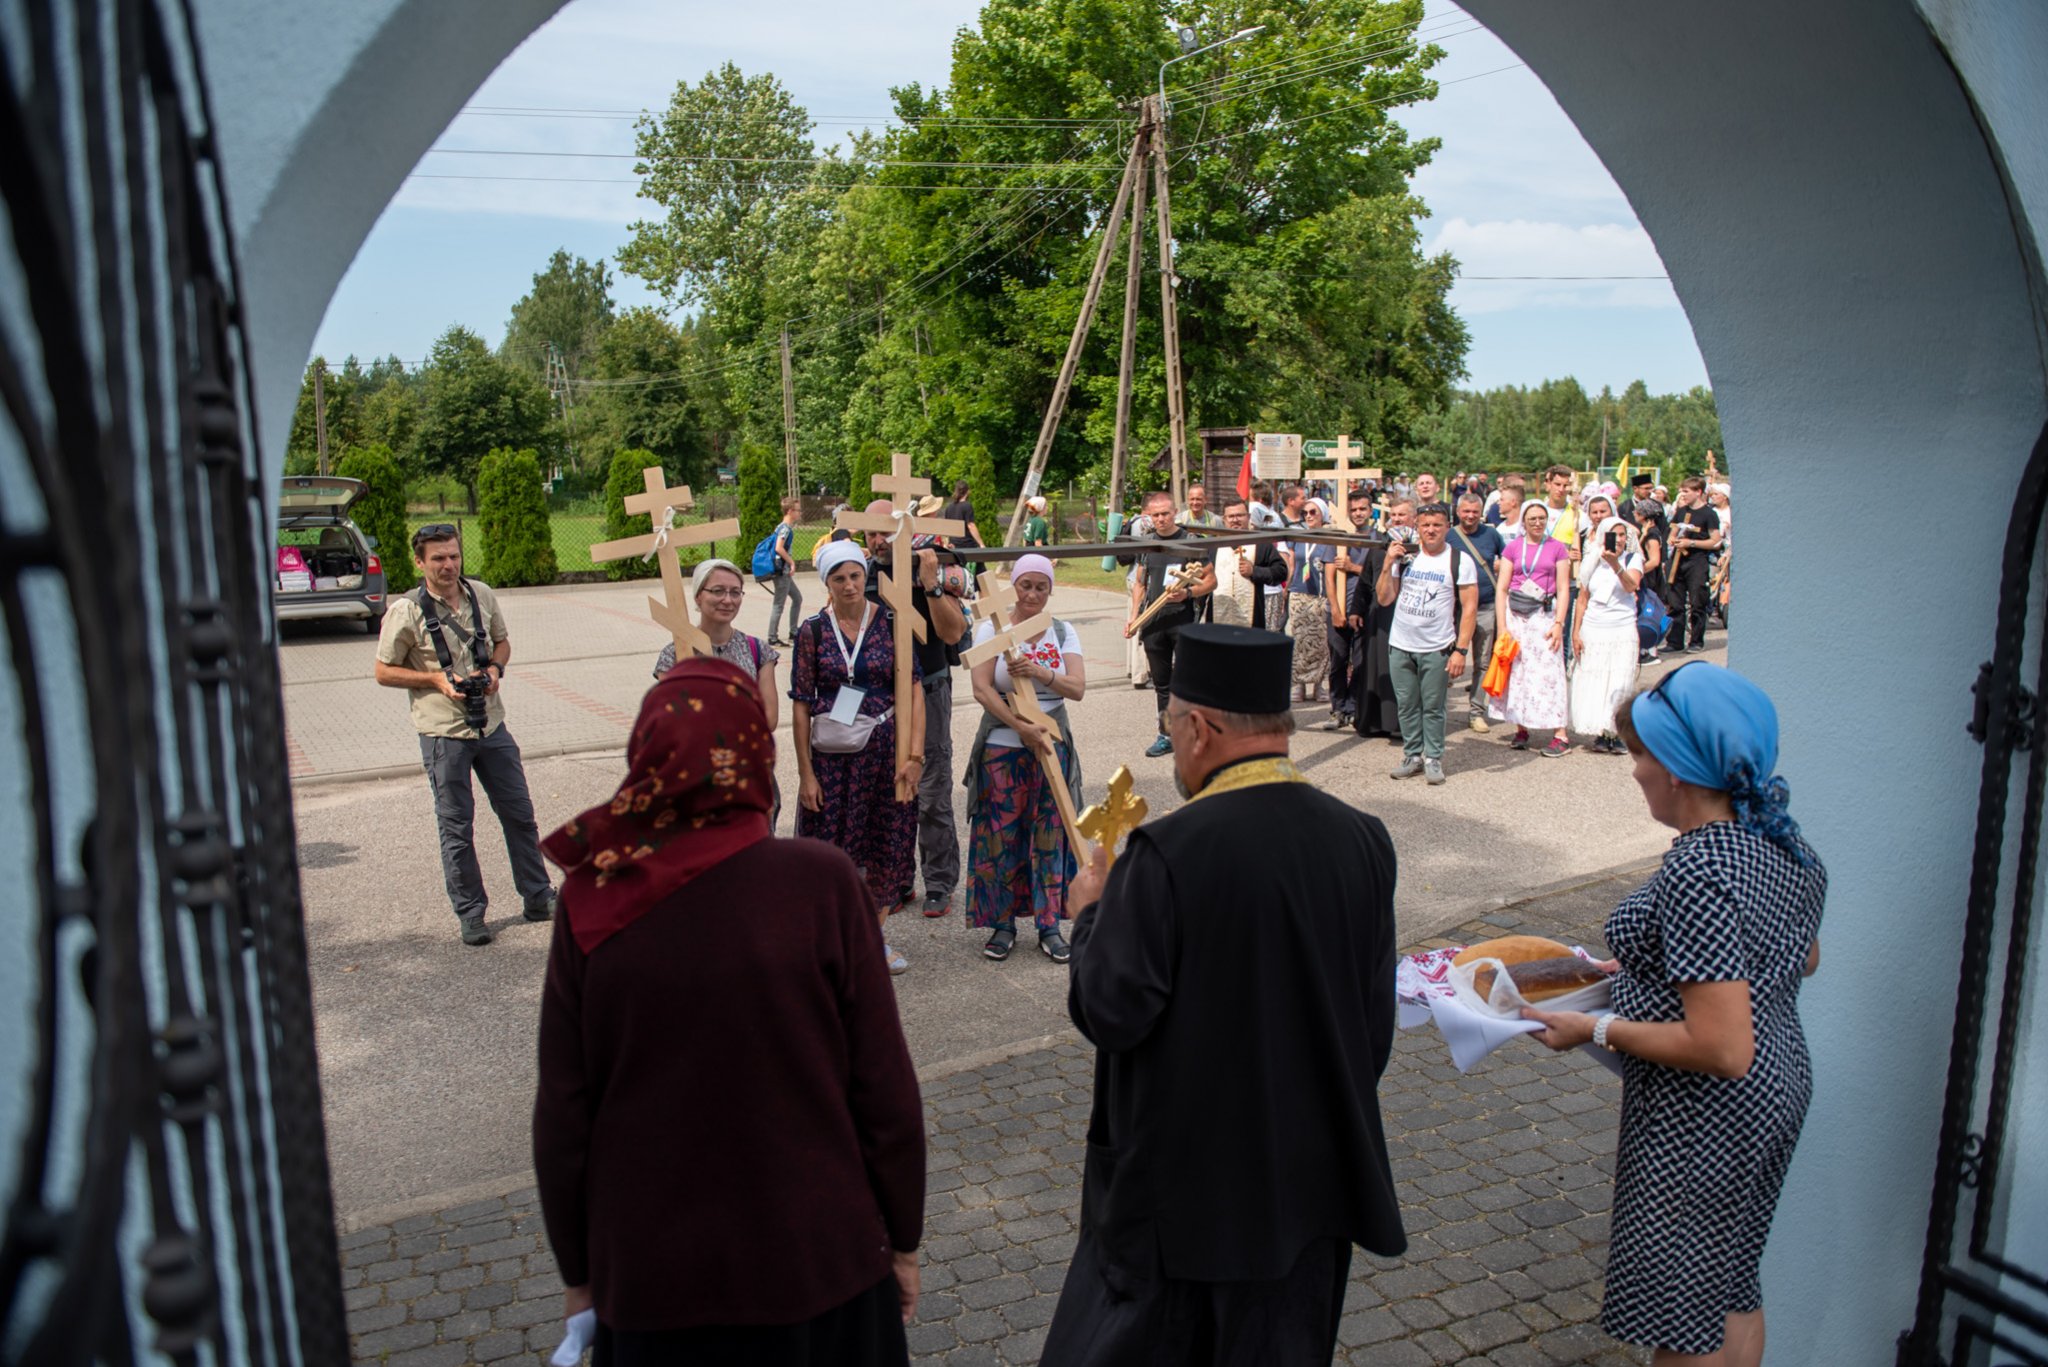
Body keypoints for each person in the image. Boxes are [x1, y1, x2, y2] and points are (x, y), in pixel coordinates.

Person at [532, 657, 926, 1366]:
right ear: (758, 757)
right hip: (819, 1264)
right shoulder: (820, 883)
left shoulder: (593, 898)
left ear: (646, 752)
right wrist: (903, 1238)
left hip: (653, 1280)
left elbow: (565, 1112)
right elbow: (885, 1089)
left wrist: (579, 1273)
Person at [1043, 624, 1406, 1365]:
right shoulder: (1363, 838)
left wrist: (1088, 917)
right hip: (1310, 1198)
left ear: (1202, 728)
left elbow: (1112, 1010)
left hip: (1185, 1212)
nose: (1174, 745)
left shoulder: (1167, 853)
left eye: (1173, 725)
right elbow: (1371, 1031)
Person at [1523, 663, 1825, 1367]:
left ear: (1680, 769)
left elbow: (1721, 1046)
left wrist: (1592, 1026)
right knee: (1731, 1287)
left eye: (1640, 753)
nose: (1633, 772)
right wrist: (1653, 966)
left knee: (1685, 1317)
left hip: (1707, 1114)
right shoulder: (1782, 842)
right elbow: (1798, 956)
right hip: (1779, 1089)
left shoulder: (1700, 866)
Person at [374, 524, 557, 946]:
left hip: (492, 725)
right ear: (420, 563)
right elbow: (382, 671)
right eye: (437, 558)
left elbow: (502, 643)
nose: (448, 565)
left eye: (453, 555)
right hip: (444, 733)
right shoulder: (407, 610)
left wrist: (494, 670)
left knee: (519, 814)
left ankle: (537, 896)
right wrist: (436, 681)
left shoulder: (481, 594)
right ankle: (471, 913)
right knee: (457, 827)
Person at [790, 542, 925, 975]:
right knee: (831, 851)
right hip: (832, 760)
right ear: (826, 584)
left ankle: (874, 939)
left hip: (886, 753)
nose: (849, 585)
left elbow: (915, 690)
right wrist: (805, 774)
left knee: (886, 843)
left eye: (854, 575)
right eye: (838, 578)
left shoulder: (891, 621)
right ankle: (830, 942)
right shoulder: (812, 631)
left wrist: (916, 755)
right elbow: (799, 704)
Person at [964, 555, 1084, 964]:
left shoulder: (1062, 632)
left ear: (1050, 590)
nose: (1032, 594)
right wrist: (1020, 726)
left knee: (1050, 832)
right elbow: (981, 688)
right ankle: (1003, 923)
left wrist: (1038, 671)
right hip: (1003, 745)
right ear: (1014, 585)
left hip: (1050, 742)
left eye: (1041, 587)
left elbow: (1078, 687)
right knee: (1002, 834)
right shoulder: (990, 627)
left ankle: (1049, 924)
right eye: (1025, 585)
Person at [862, 499, 969, 917]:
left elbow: (953, 631)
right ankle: (898, 877)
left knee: (931, 791)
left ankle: (940, 881)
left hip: (928, 686)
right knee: (891, 792)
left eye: (885, 531)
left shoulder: (935, 563)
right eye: (870, 533)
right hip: (883, 696)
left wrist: (930, 584)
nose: (877, 540)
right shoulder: (864, 575)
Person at [654, 558, 782, 825]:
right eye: (718, 591)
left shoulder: (757, 650)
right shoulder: (676, 654)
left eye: (735, 592)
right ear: (699, 597)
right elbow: (674, 721)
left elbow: (768, 718)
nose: (728, 599)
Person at [1376, 502, 1478, 784]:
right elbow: (1384, 598)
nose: (1431, 530)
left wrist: (1460, 650)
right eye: (1425, 525)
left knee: (1433, 706)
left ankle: (1433, 758)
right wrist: (1387, 564)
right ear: (1417, 527)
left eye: (1437, 525)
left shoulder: (1459, 560)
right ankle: (1412, 756)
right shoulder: (1405, 558)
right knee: (1407, 704)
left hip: (1437, 647)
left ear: (1447, 527)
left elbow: (1469, 608)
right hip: (1401, 644)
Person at [1123, 491, 1216, 758]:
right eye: (1156, 515)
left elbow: (1211, 581)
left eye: (1165, 513)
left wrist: (1188, 594)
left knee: (1189, 680)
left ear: (1175, 511)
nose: (1161, 519)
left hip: (1183, 620)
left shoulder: (1190, 542)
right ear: (1148, 517)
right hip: (1154, 622)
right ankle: (1166, 735)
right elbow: (1140, 583)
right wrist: (1133, 617)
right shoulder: (1148, 544)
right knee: (1162, 684)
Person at [1491, 502, 1574, 756]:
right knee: (1518, 671)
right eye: (1532, 519)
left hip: (1543, 614)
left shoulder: (1557, 548)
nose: (1537, 522)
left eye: (1541, 518)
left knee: (1549, 672)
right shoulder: (1513, 548)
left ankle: (1560, 733)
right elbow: (1502, 587)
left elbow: (1563, 589)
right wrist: (1503, 626)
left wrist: (1559, 623)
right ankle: (1522, 726)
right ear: (1523, 522)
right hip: (1516, 615)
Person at [1570, 515, 1646, 754]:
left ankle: (1618, 732)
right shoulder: (1591, 562)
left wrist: (1616, 564)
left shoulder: (1633, 559)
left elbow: (1631, 586)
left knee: (1619, 680)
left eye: (1623, 534)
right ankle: (1602, 732)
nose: (1620, 539)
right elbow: (1582, 600)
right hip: (1594, 627)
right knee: (1596, 678)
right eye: (1615, 535)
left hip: (1621, 627)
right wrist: (1576, 632)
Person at [1347, 499, 1415, 742]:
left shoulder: (1421, 547)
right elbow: (1365, 581)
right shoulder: (1379, 546)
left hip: (1409, 615)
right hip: (1380, 615)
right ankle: (1374, 722)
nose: (1397, 519)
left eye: (1402, 515)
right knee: (1377, 667)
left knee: (1403, 670)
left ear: (1413, 518)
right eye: (1393, 515)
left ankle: (1400, 724)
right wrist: (1356, 609)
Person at [1449, 492, 1504, 734]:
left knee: (1482, 661)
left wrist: (1502, 566)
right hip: (1454, 608)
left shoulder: (1491, 534)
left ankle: (1476, 711)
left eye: (1474, 512)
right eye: (1465, 511)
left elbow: (1508, 558)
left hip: (1486, 606)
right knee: (1447, 659)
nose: (1470, 516)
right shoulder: (1449, 535)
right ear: (1458, 512)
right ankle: (1439, 710)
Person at [1321, 488, 1376, 729]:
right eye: (1353, 509)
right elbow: (1329, 576)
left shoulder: (1376, 539)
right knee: (1338, 661)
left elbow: (1378, 574)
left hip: (1363, 610)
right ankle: (1337, 708)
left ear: (1370, 510)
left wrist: (1354, 567)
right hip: (1338, 608)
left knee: (1361, 661)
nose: (1358, 513)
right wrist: (1335, 609)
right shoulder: (1338, 537)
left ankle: (1354, 706)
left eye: (1362, 508)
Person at [1664, 477, 1723, 654]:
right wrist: (1673, 540)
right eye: (1681, 491)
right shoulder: (1681, 511)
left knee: (1698, 602)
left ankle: (1696, 640)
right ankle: (1675, 641)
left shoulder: (1709, 514)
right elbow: (1672, 533)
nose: (1683, 494)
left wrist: (1691, 543)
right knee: (1675, 603)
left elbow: (1715, 540)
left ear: (1698, 492)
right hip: (1677, 561)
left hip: (1697, 562)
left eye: (1686, 491)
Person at [1209, 498, 1289, 628]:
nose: (1235, 520)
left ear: (1248, 517)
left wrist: (1255, 571)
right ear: (1224, 519)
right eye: (1231, 516)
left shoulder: (1262, 544)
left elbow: (1281, 572)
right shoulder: (1213, 546)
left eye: (1240, 515)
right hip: (1218, 618)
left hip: (1251, 619)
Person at [1285, 498, 1335, 704]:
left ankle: (1318, 685)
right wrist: (1286, 587)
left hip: (1320, 594)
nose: (1309, 516)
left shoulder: (1330, 537)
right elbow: (1291, 563)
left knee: (1320, 642)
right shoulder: (1298, 536)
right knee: (1298, 640)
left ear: (1322, 514)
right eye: (1305, 512)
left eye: (1313, 512)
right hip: (1299, 592)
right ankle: (1298, 684)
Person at [762, 496, 804, 646]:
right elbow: (778, 548)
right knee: (778, 604)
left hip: (784, 572)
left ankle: (793, 632)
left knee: (797, 598)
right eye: (798, 511)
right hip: (782, 572)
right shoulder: (785, 528)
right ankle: (772, 637)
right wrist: (792, 562)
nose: (800, 513)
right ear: (790, 511)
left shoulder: (782, 527)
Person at [1633, 499, 1669, 664]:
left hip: (1649, 580)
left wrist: (1637, 572)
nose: (1633, 514)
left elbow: (1654, 560)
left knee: (1645, 613)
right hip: (1649, 578)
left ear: (1642, 515)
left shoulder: (1652, 534)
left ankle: (1646, 651)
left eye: (1636, 511)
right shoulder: (1648, 531)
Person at [940, 479, 981, 548]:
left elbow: (947, 528)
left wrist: (946, 543)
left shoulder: (949, 507)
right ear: (968, 491)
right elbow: (971, 525)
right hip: (967, 545)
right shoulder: (967, 506)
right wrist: (981, 543)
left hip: (953, 545)